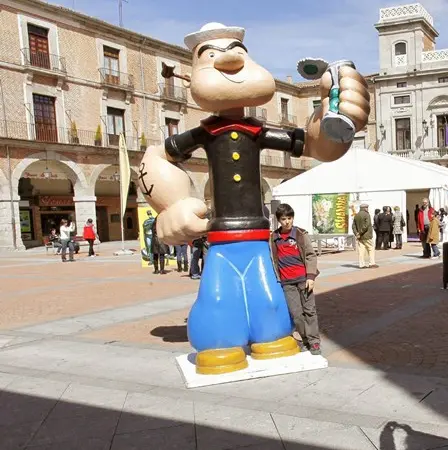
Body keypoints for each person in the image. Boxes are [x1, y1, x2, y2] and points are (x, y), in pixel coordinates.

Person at [132, 22, 369, 373]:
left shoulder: (258, 131)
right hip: (223, 237)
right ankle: (221, 341)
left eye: (238, 51)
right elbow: (155, 157)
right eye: (210, 55)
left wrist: (333, 117)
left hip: (257, 236)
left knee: (267, 297)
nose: (229, 60)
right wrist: (171, 204)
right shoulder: (204, 133)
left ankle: (269, 335)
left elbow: (315, 145)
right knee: (216, 296)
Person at [270, 203, 321, 355]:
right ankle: (305, 340)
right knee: (297, 314)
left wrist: (311, 277)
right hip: (287, 282)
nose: (287, 222)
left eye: (289, 218)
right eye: (284, 219)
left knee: (309, 311)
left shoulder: (300, 234)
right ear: (279, 220)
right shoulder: (273, 238)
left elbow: (311, 255)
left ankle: (314, 342)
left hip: (303, 279)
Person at [352, 203, 376, 269]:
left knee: (361, 251)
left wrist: (356, 233)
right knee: (370, 248)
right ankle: (372, 263)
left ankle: (361, 264)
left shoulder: (356, 215)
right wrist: (360, 232)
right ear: (365, 208)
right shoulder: (366, 214)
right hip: (366, 235)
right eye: (367, 208)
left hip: (360, 237)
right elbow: (367, 225)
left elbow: (353, 226)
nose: (368, 209)